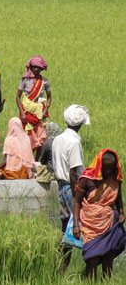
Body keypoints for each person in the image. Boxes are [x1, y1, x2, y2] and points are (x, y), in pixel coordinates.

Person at [73, 149, 126, 279]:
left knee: (108, 256)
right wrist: (75, 224)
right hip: (90, 222)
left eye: (111, 168)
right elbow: (77, 202)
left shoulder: (115, 178)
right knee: (92, 257)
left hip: (109, 222)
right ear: (99, 166)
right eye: (105, 168)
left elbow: (118, 198)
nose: (108, 172)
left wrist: (121, 212)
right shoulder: (86, 179)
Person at [52, 104, 89, 272]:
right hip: (71, 188)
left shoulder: (58, 139)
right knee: (79, 227)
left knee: (64, 228)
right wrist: (81, 196)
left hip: (61, 186)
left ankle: (61, 267)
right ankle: (89, 267)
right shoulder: (74, 142)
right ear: (80, 124)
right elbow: (74, 172)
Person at [16, 56, 51, 154]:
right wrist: (22, 113)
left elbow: (49, 97)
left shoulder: (45, 81)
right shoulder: (25, 80)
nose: (36, 69)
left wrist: (46, 109)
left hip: (39, 112)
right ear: (30, 67)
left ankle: (36, 160)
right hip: (27, 112)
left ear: (42, 68)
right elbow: (17, 97)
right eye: (34, 67)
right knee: (27, 135)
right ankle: (26, 156)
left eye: (39, 67)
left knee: (40, 136)